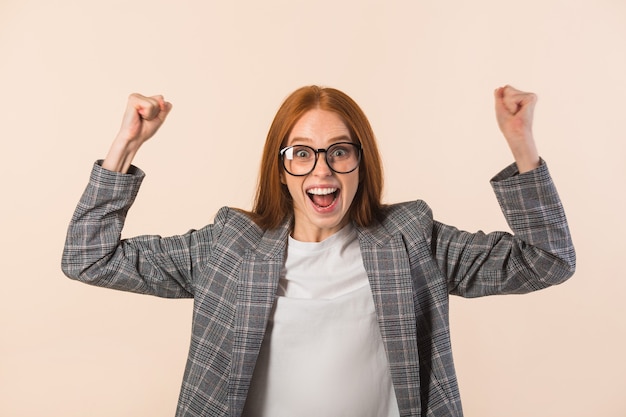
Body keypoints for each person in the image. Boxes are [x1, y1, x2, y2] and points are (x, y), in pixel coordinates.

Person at [62, 85, 575, 417]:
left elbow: (546, 260)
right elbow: (89, 256)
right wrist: (126, 146)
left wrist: (521, 145)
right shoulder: (228, 247)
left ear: (361, 162)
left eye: (340, 152)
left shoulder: (410, 239)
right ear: (280, 167)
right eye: (301, 153)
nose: (322, 171)